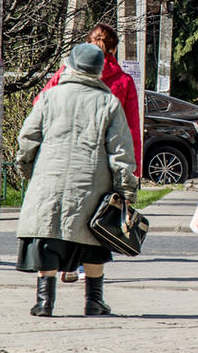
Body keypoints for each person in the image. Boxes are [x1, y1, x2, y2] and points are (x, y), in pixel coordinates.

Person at [16, 43, 138, 317]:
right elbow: (121, 152)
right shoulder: (108, 103)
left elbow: (28, 139)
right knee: (92, 240)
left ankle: (44, 302)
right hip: (91, 184)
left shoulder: (49, 97)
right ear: (97, 72)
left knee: (47, 235)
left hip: (49, 179)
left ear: (69, 66)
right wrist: (126, 188)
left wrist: (26, 169)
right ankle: (94, 301)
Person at [36, 23, 142, 284]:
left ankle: (66, 266)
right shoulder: (123, 82)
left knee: (65, 212)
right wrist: (133, 170)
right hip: (102, 161)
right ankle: (87, 269)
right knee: (94, 215)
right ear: (114, 49)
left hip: (63, 155)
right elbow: (130, 130)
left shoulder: (65, 74)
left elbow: (41, 105)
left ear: (85, 44)